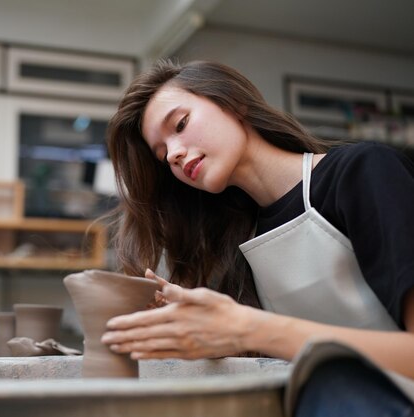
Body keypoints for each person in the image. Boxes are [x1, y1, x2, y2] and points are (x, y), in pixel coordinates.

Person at [99, 59, 414, 416]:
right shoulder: (242, 245)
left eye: (181, 124)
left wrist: (247, 327)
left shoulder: (362, 173)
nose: (173, 153)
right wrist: (205, 333)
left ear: (233, 102)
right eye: (162, 155)